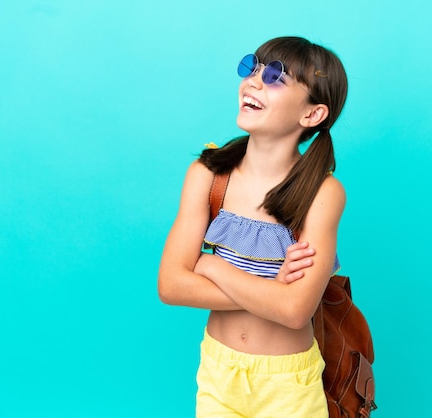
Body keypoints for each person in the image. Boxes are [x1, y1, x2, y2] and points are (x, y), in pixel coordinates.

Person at [158, 36, 348, 417]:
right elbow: (171, 286)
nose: (254, 81)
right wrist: (271, 292)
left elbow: (294, 312)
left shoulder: (323, 193)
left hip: (288, 385)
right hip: (218, 371)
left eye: (276, 76)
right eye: (253, 68)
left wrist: (212, 266)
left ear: (312, 115)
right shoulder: (208, 175)